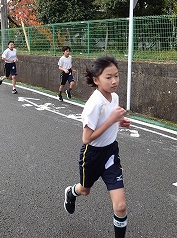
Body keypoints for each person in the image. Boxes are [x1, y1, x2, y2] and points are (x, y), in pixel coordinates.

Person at [64, 55, 131, 238]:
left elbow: (110, 120)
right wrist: (111, 121)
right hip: (91, 155)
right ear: (96, 80)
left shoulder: (114, 97)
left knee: (120, 206)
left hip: (110, 154)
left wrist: (120, 122)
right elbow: (87, 138)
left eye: (116, 76)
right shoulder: (94, 104)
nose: (114, 81)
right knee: (85, 190)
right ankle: (71, 192)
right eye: (108, 77)